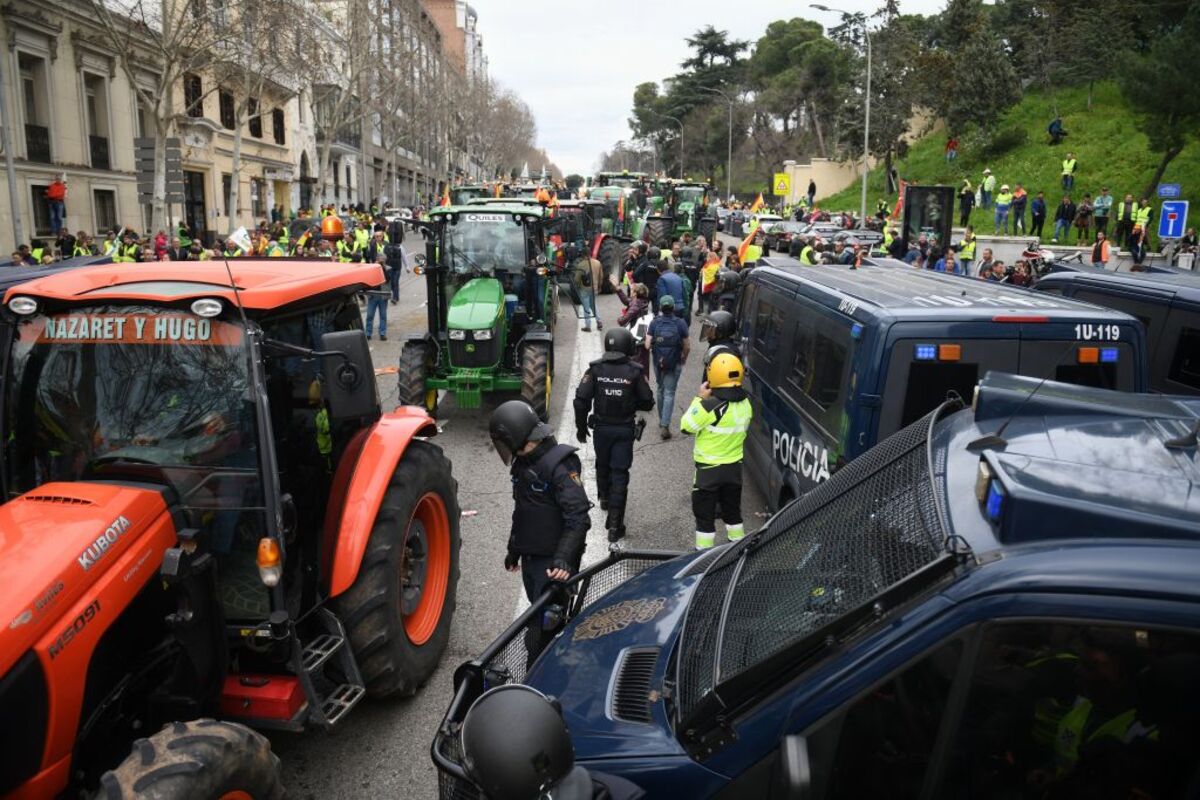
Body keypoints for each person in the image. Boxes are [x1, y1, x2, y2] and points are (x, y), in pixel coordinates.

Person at [490, 400, 590, 606]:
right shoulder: (524, 464)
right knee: (535, 612)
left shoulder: (560, 466)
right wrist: (514, 549)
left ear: (515, 436)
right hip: (531, 558)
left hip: (553, 564)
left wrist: (564, 559)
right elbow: (523, 512)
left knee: (543, 630)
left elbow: (579, 517)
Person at [573, 327, 654, 546]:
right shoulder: (635, 371)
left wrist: (581, 428)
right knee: (620, 473)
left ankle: (605, 499)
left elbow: (580, 400)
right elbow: (648, 400)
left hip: (601, 429)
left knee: (602, 463)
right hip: (624, 430)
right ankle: (615, 525)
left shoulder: (596, 369)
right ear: (626, 346)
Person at [680, 353, 751, 550]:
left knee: (705, 517)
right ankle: (738, 550)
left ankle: (702, 556)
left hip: (709, 471)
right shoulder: (746, 404)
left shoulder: (711, 405)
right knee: (733, 513)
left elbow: (686, 426)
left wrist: (699, 398)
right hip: (734, 469)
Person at [646, 294, 690, 439]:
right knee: (670, 392)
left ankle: (661, 420)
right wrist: (683, 358)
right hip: (674, 361)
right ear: (673, 308)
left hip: (658, 361)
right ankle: (665, 425)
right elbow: (687, 346)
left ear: (660, 307)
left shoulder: (654, 323)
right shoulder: (680, 323)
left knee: (660, 388)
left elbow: (647, 345)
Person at [363, 254, 389, 340]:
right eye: (380, 260)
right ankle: (368, 333)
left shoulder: (387, 268)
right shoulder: (371, 268)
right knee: (370, 315)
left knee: (383, 316)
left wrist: (383, 268)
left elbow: (387, 279)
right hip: (373, 295)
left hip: (382, 295)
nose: (381, 261)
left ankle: (382, 333)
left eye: (383, 260)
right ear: (376, 259)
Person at [655, 260, 687, 325]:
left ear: (658, 269)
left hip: (669, 309)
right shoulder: (678, 277)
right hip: (681, 307)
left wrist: (660, 310)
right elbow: (684, 294)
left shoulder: (662, 279)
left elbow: (662, 297)